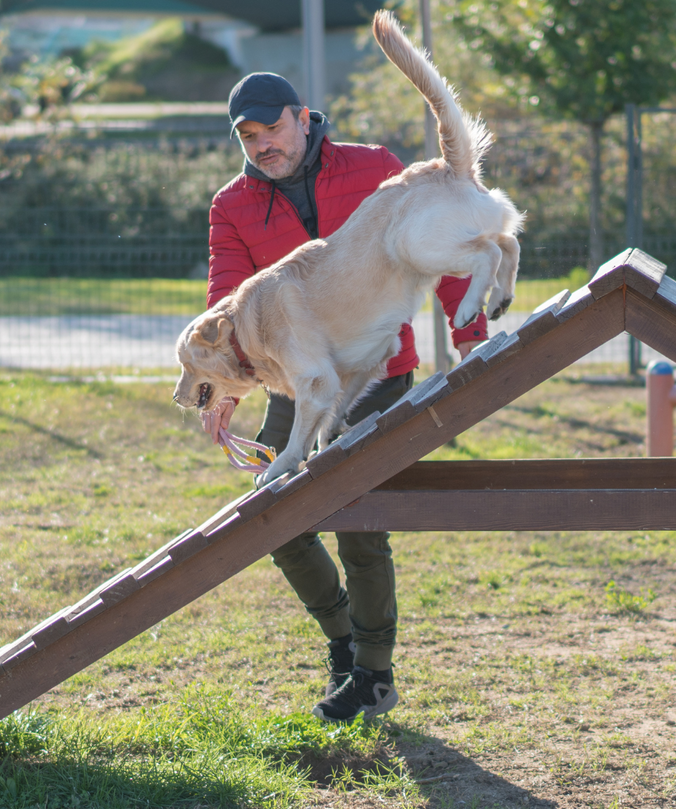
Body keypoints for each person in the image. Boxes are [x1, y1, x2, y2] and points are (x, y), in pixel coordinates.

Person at [200, 72, 487, 722]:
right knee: (275, 516)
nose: (262, 144)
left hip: (377, 371)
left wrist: (470, 334)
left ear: (304, 118)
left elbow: (438, 245)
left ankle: (374, 674)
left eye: (272, 128)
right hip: (294, 379)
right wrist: (224, 384)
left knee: (358, 517)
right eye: (248, 135)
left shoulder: (373, 168)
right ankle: (344, 642)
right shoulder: (232, 205)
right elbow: (226, 299)